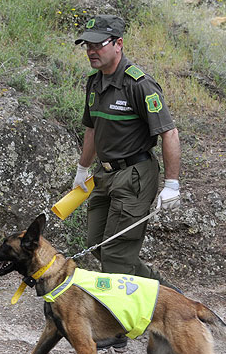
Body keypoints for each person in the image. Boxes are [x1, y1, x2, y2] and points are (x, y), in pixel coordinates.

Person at [72, 15, 181, 287]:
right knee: (97, 244)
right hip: (104, 174)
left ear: (119, 44)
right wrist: (82, 169)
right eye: (87, 45)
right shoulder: (94, 83)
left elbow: (169, 132)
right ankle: (167, 296)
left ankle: (118, 327)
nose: (91, 51)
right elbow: (92, 130)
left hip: (134, 175)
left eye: (98, 45)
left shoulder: (139, 84)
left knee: (116, 254)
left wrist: (172, 184)